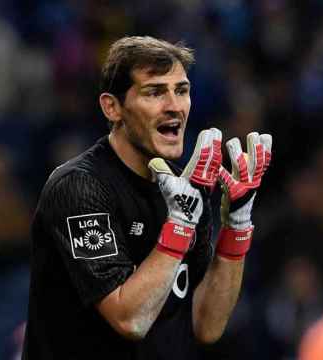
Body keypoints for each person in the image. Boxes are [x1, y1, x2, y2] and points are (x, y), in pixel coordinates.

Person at [22, 36, 272, 359]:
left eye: (181, 90)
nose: (174, 106)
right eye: (154, 92)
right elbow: (130, 319)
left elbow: (207, 325)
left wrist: (237, 226)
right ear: (112, 107)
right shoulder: (78, 187)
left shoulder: (187, 187)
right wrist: (180, 223)